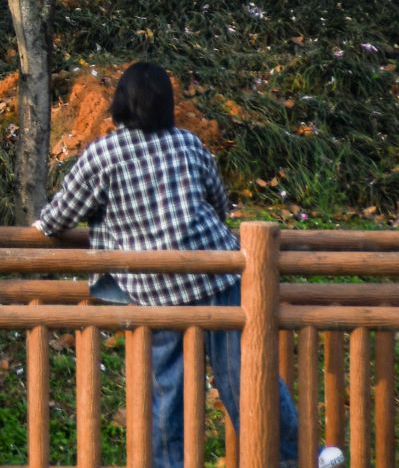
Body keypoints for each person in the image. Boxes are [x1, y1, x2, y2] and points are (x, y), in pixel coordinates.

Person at [35, 62, 321, 468]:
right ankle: (292, 459)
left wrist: (41, 227)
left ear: (121, 104)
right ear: (167, 105)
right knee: (246, 375)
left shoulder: (103, 154)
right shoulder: (187, 143)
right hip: (217, 273)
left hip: (156, 290)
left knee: (168, 389)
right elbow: (218, 202)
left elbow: (59, 216)